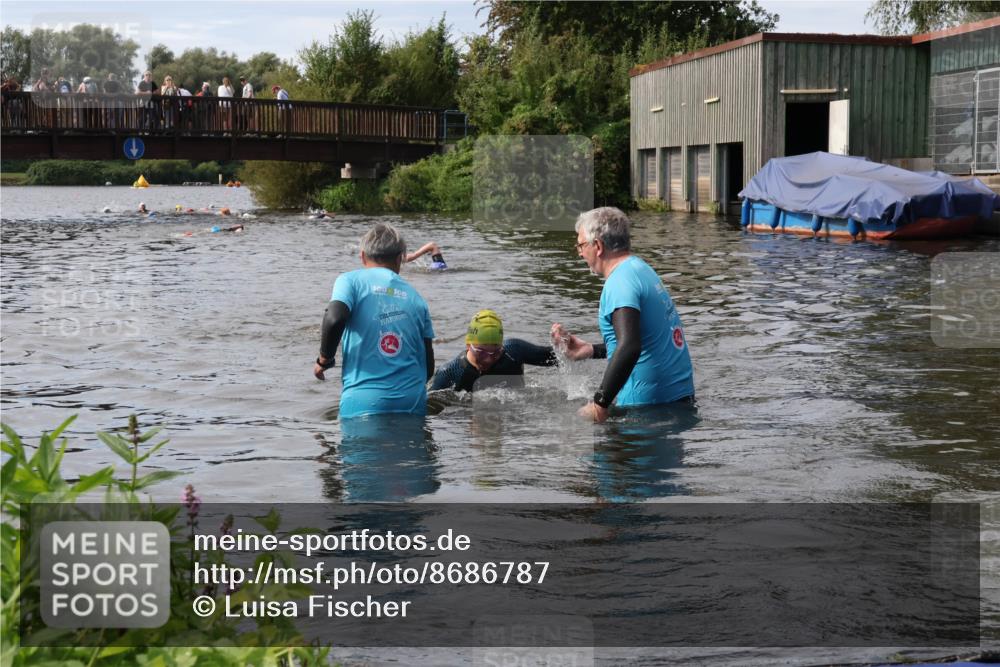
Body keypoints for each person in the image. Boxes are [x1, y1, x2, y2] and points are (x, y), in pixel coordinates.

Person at [551, 207, 694, 423]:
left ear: (597, 246)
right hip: (678, 401)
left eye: (581, 245)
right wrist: (590, 350)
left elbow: (629, 346)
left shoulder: (619, 283)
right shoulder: (641, 269)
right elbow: (645, 338)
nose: (579, 252)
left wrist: (600, 404)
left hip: (645, 411)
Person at [313, 223, 435, 418]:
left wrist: (324, 359)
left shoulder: (350, 281)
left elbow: (335, 318)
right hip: (412, 402)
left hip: (364, 401)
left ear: (362, 256)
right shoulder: (416, 297)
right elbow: (428, 367)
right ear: (400, 259)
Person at [430, 310, 557, 392]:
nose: (488, 359)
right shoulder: (450, 373)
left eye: (496, 352)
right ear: (468, 345)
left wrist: (564, 343)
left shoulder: (514, 351)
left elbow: (562, 357)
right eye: (481, 351)